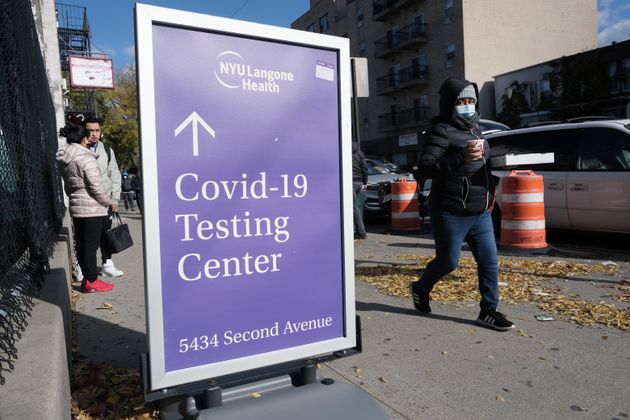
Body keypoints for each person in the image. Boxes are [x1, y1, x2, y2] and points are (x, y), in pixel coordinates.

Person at [409, 78, 515, 331]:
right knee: (448, 262)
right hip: (450, 209)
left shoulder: (476, 130)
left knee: (489, 262)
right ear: (450, 104)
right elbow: (424, 168)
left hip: (480, 210)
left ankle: (489, 310)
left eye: (471, 101)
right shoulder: (440, 131)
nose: (467, 105)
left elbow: (482, 167)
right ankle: (420, 288)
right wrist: (459, 156)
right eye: (461, 101)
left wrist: (499, 169)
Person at [57, 125, 116, 293]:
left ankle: (86, 280)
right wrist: (107, 201)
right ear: (84, 139)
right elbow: (96, 187)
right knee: (91, 246)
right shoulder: (85, 158)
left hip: (77, 206)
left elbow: (69, 186)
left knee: (82, 245)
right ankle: (92, 280)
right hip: (92, 208)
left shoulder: (65, 158)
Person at [83, 117, 124, 278]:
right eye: (90, 130)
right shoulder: (78, 148)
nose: (94, 134)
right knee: (89, 236)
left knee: (106, 233)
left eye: (96, 130)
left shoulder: (107, 150)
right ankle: (85, 267)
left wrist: (115, 199)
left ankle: (107, 263)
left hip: (105, 200)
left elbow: (114, 174)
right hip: (87, 201)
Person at [352, 141, 368, 240]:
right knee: (353, 207)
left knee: (353, 208)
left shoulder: (344, 150)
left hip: (350, 182)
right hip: (359, 183)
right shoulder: (360, 153)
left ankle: (361, 232)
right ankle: (357, 231)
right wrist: (365, 182)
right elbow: (364, 168)